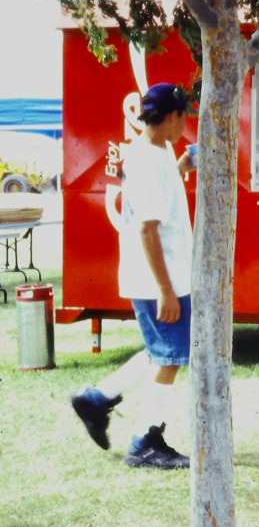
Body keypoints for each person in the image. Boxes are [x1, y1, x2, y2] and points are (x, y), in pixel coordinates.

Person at [71, 83, 195, 469]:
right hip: (160, 278)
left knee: (162, 352)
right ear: (171, 116)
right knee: (170, 356)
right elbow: (147, 229)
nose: (185, 123)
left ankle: (96, 399)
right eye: (183, 116)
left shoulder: (159, 151)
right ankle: (146, 441)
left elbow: (157, 195)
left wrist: (181, 168)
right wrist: (165, 291)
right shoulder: (148, 159)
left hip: (164, 274)